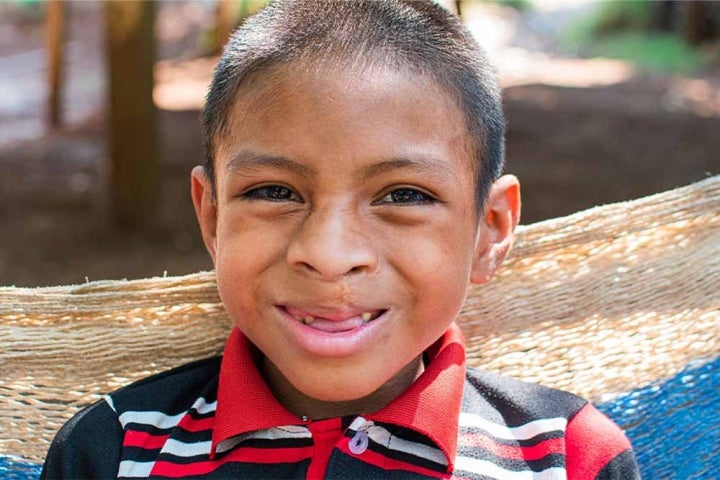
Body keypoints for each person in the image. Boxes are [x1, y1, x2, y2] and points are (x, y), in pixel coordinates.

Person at [41, 1, 640, 478]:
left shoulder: (568, 456)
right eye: (275, 192)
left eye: (404, 195)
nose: (329, 256)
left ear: (490, 230)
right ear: (213, 218)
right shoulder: (113, 450)